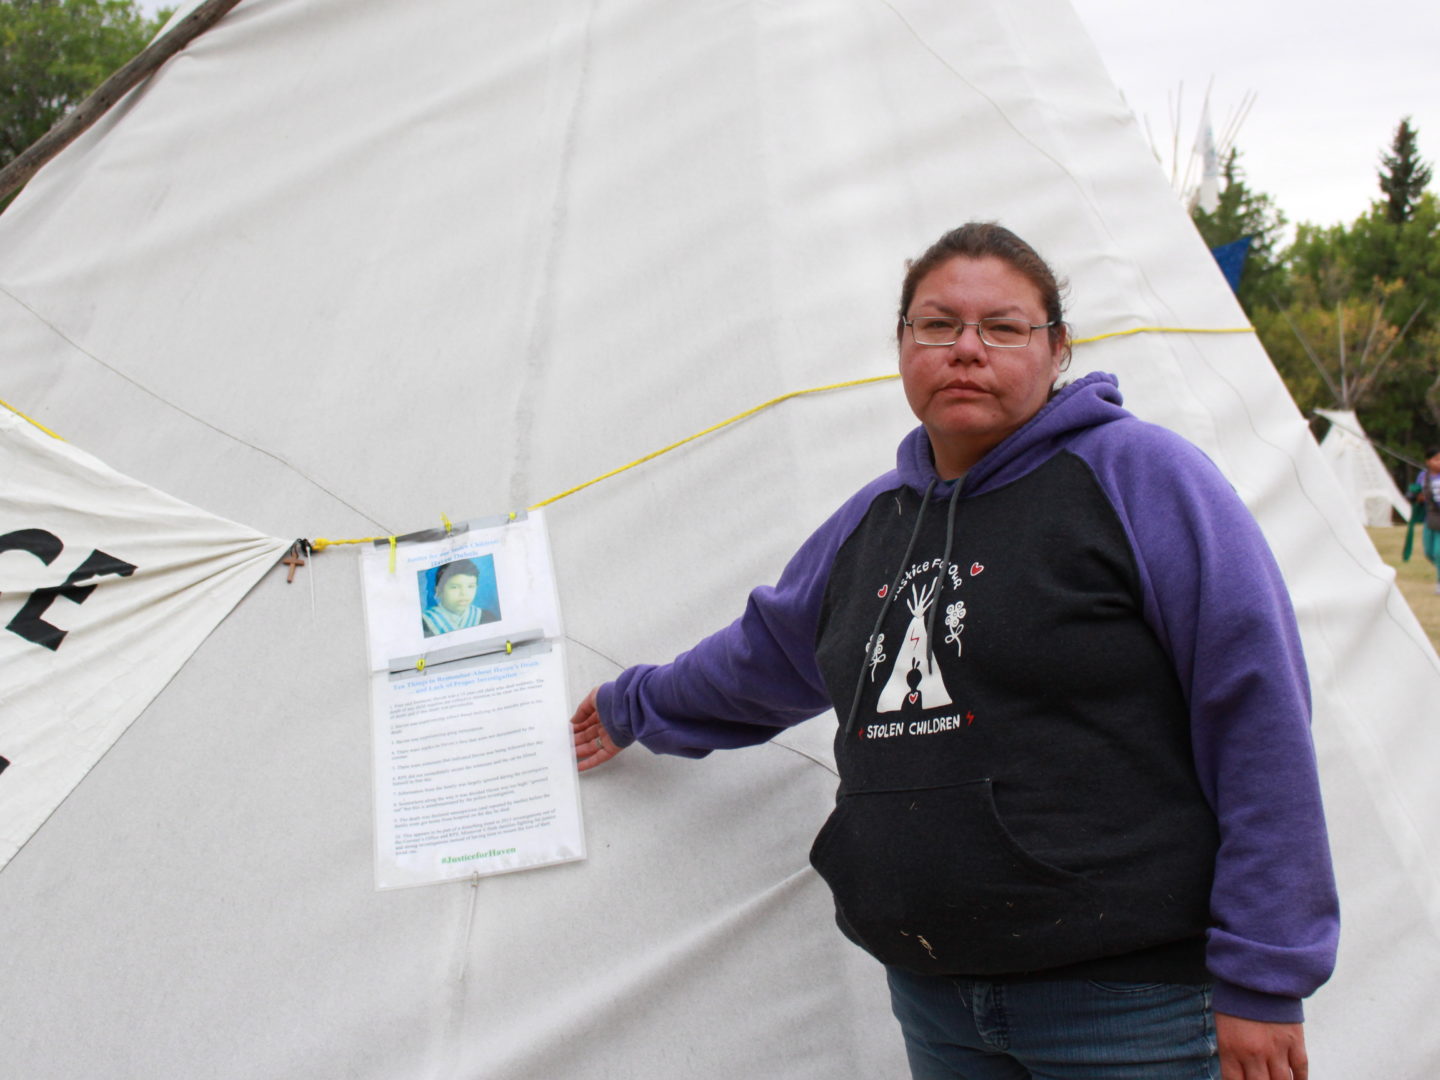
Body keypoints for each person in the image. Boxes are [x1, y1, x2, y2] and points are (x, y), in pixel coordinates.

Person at [569, 223, 1338, 1080]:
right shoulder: (874, 523)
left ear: (1057, 351)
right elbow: (762, 659)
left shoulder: (1142, 478)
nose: (967, 349)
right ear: (903, 345)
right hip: (937, 1000)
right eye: (938, 325)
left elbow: (1256, 707)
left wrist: (1266, 974)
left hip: (1129, 1005)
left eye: (1003, 328)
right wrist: (632, 704)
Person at [421, 558, 498, 637]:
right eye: (454, 587)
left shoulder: (486, 617)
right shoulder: (425, 623)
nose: (464, 593)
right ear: (439, 590)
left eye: (470, 586)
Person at [1414, 447, 1440, 592]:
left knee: (1439, 552)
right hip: (1429, 518)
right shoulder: (1423, 476)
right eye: (1436, 459)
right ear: (1428, 461)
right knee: (1429, 552)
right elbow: (1418, 493)